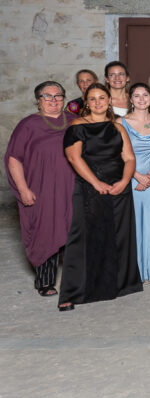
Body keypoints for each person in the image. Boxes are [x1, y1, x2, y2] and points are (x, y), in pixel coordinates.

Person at [59, 83, 142, 310]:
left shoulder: (118, 127)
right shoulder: (77, 126)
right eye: (93, 99)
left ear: (109, 100)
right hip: (89, 188)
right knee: (82, 238)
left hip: (119, 187)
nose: (98, 102)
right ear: (86, 102)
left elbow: (129, 158)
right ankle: (72, 293)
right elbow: (74, 158)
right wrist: (96, 184)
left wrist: (124, 182)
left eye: (102, 98)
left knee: (119, 235)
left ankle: (119, 285)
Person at [5, 81, 76, 297]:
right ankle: (45, 281)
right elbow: (14, 159)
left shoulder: (74, 121)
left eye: (58, 96)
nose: (53, 100)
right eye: (47, 96)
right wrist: (23, 189)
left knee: (75, 231)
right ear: (39, 100)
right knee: (46, 231)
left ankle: (76, 281)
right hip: (42, 189)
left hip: (73, 187)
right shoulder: (28, 125)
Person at [120, 83, 150, 283]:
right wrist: (136, 175)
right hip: (130, 177)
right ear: (130, 99)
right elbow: (117, 154)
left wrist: (149, 176)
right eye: (136, 95)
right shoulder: (120, 122)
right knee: (133, 223)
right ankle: (135, 271)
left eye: (145, 95)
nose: (141, 99)